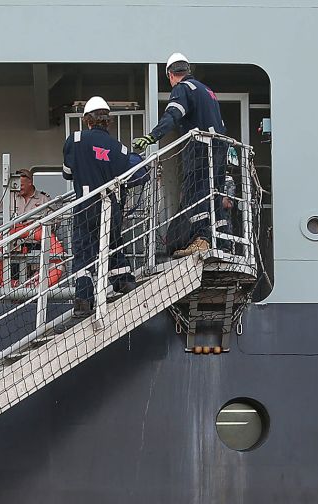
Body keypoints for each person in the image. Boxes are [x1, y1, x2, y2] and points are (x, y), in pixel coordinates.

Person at [134, 53, 228, 256]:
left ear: (170, 75)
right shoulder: (207, 90)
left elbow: (173, 116)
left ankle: (201, 240)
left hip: (200, 147)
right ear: (187, 70)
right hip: (220, 145)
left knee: (196, 192)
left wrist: (152, 136)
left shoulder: (182, 89)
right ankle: (222, 240)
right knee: (215, 193)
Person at [63, 98, 138, 317]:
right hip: (111, 204)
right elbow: (126, 177)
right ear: (108, 122)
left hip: (85, 204)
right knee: (114, 243)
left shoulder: (75, 140)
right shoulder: (121, 149)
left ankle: (84, 301)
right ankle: (123, 282)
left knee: (84, 250)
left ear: (87, 121)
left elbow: (67, 173)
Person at [0, 168, 51, 232]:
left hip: (35, 241)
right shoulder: (10, 197)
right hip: (13, 242)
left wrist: (43, 228)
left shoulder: (44, 199)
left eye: (21, 185)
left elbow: (54, 219)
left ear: (30, 183)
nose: (19, 188)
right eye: (17, 185)